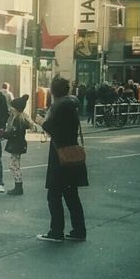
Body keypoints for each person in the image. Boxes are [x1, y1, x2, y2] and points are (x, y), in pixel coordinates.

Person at [38, 75, 88, 242]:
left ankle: (56, 231)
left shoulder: (59, 107)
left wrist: (43, 122)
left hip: (60, 155)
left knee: (54, 194)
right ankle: (79, 230)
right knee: (71, 195)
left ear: (53, 91)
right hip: (72, 152)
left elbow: (55, 129)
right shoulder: (71, 105)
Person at [3, 94, 41, 196]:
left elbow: (12, 134)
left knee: (14, 166)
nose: (10, 109)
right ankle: (18, 186)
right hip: (18, 144)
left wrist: (2, 134)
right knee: (14, 165)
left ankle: (18, 186)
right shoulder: (20, 119)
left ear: (16, 109)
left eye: (12, 107)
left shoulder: (17, 121)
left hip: (16, 145)